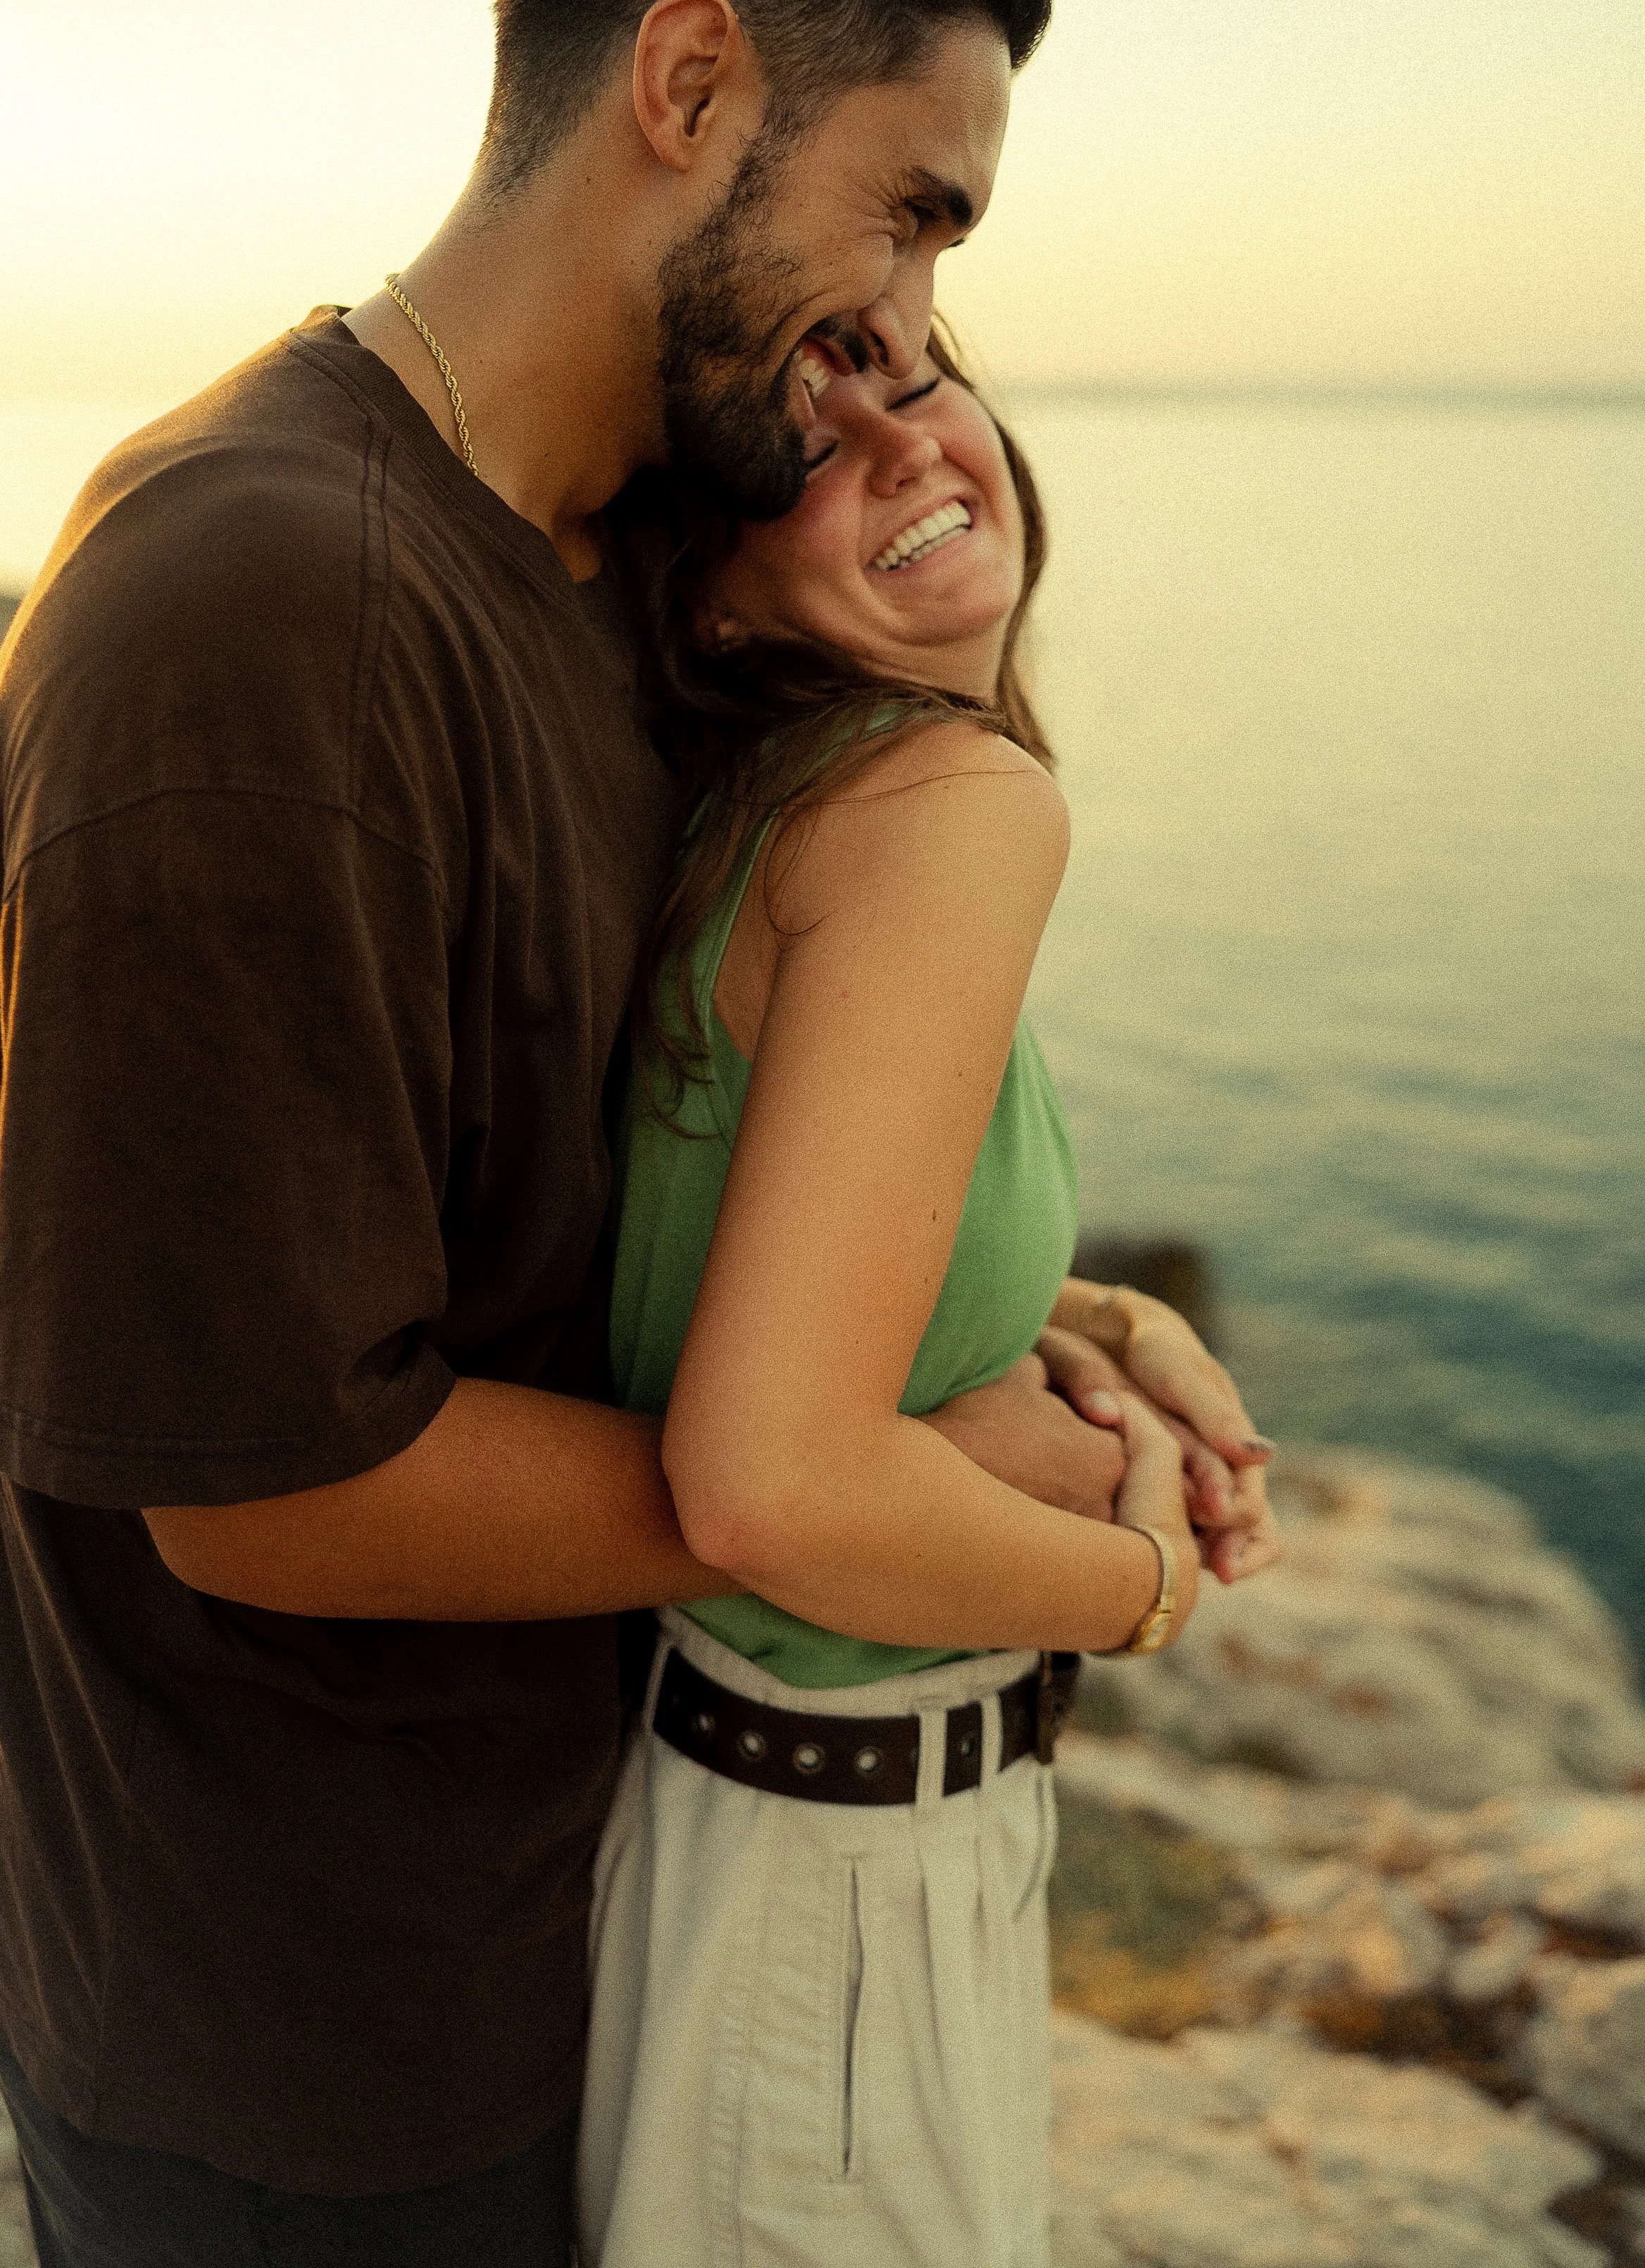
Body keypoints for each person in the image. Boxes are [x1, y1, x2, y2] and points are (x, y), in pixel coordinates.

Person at [0, 0, 1266, 2259]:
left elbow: (637, 1180)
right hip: (308, 2070)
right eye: (911, 208)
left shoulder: (609, 562)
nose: (910, 329)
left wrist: (1062, 1319)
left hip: (610, 1923)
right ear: (687, 83)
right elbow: (259, 1475)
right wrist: (967, 1496)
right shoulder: (256, 604)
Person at [578, 336, 1280, 2266]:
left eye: (916, 377)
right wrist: (1139, 1584)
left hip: (770, 1846)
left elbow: (780, 1278)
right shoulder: (950, 812)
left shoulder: (788, 808)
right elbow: (769, 1490)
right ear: (713, 589)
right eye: (808, 450)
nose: (908, 447)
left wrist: (1098, 1324)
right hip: (842, 1888)